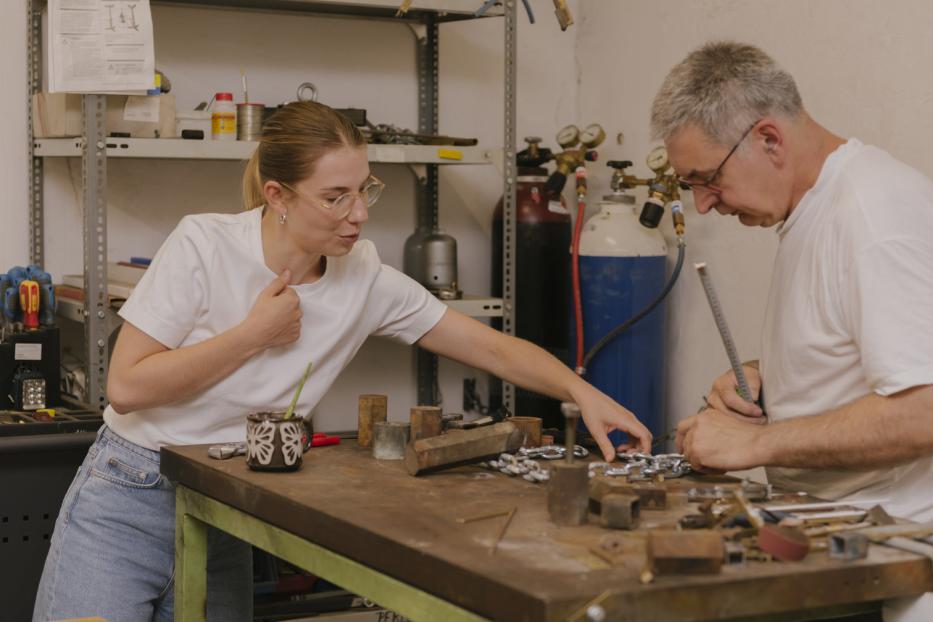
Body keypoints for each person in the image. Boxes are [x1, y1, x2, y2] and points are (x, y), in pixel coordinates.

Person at [32, 101, 650, 622]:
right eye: (335, 198)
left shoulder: (367, 278)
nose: (358, 214)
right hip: (131, 493)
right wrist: (253, 333)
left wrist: (583, 392)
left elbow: (490, 346)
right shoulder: (205, 245)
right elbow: (128, 385)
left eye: (364, 190)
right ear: (277, 195)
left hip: (226, 502)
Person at [653, 41, 933, 621]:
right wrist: (764, 377)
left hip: (888, 563)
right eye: (691, 186)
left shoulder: (873, 217)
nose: (704, 205)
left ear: (769, 140)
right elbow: (857, 348)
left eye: (708, 178)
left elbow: (924, 409)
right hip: (830, 541)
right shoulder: (811, 209)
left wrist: (754, 444)